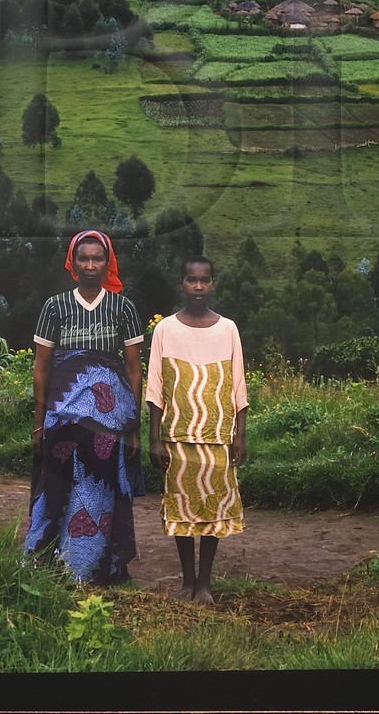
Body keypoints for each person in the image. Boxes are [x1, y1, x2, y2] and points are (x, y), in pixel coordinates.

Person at [24, 230, 144, 584]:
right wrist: (39, 422)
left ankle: (103, 567)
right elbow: (41, 368)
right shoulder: (55, 307)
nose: (90, 265)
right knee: (60, 485)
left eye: (97, 259)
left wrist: (132, 424)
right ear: (72, 263)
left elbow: (134, 369)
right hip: (62, 417)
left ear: (108, 264)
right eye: (83, 259)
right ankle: (52, 565)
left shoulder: (123, 307)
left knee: (102, 487)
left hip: (111, 421)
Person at [145, 256, 247, 603]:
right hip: (178, 438)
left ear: (213, 284)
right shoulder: (165, 330)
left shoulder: (228, 329)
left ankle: (205, 582)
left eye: (205, 280)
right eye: (192, 280)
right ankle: (187, 581)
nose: (199, 287)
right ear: (182, 284)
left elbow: (238, 386)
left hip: (218, 437)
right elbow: (156, 388)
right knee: (182, 510)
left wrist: (240, 435)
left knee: (213, 510)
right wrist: (154, 438)